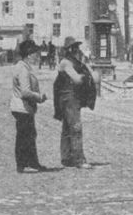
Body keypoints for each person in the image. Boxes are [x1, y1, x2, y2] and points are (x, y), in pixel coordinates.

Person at [53, 37, 96, 168]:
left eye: (78, 47)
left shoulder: (76, 62)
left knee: (67, 127)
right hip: (68, 98)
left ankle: (66, 158)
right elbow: (76, 79)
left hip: (72, 98)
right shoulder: (66, 62)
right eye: (75, 47)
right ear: (70, 50)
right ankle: (79, 160)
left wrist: (85, 65)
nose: (78, 50)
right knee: (76, 127)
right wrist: (86, 76)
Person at [10, 39, 51, 173]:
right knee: (24, 137)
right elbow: (25, 92)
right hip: (23, 107)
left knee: (28, 135)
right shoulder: (23, 69)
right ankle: (23, 164)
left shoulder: (21, 66)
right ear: (28, 54)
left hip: (21, 107)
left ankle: (30, 163)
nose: (36, 56)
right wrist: (39, 97)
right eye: (34, 53)